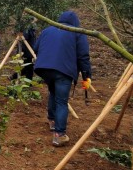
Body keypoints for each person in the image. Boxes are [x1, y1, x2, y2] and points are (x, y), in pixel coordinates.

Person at [33, 10, 92, 147]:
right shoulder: (77, 32)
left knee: (53, 92)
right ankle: (59, 135)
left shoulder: (47, 30)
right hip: (63, 71)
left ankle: (52, 121)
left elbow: (36, 48)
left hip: (44, 69)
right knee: (61, 101)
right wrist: (86, 76)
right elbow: (83, 56)